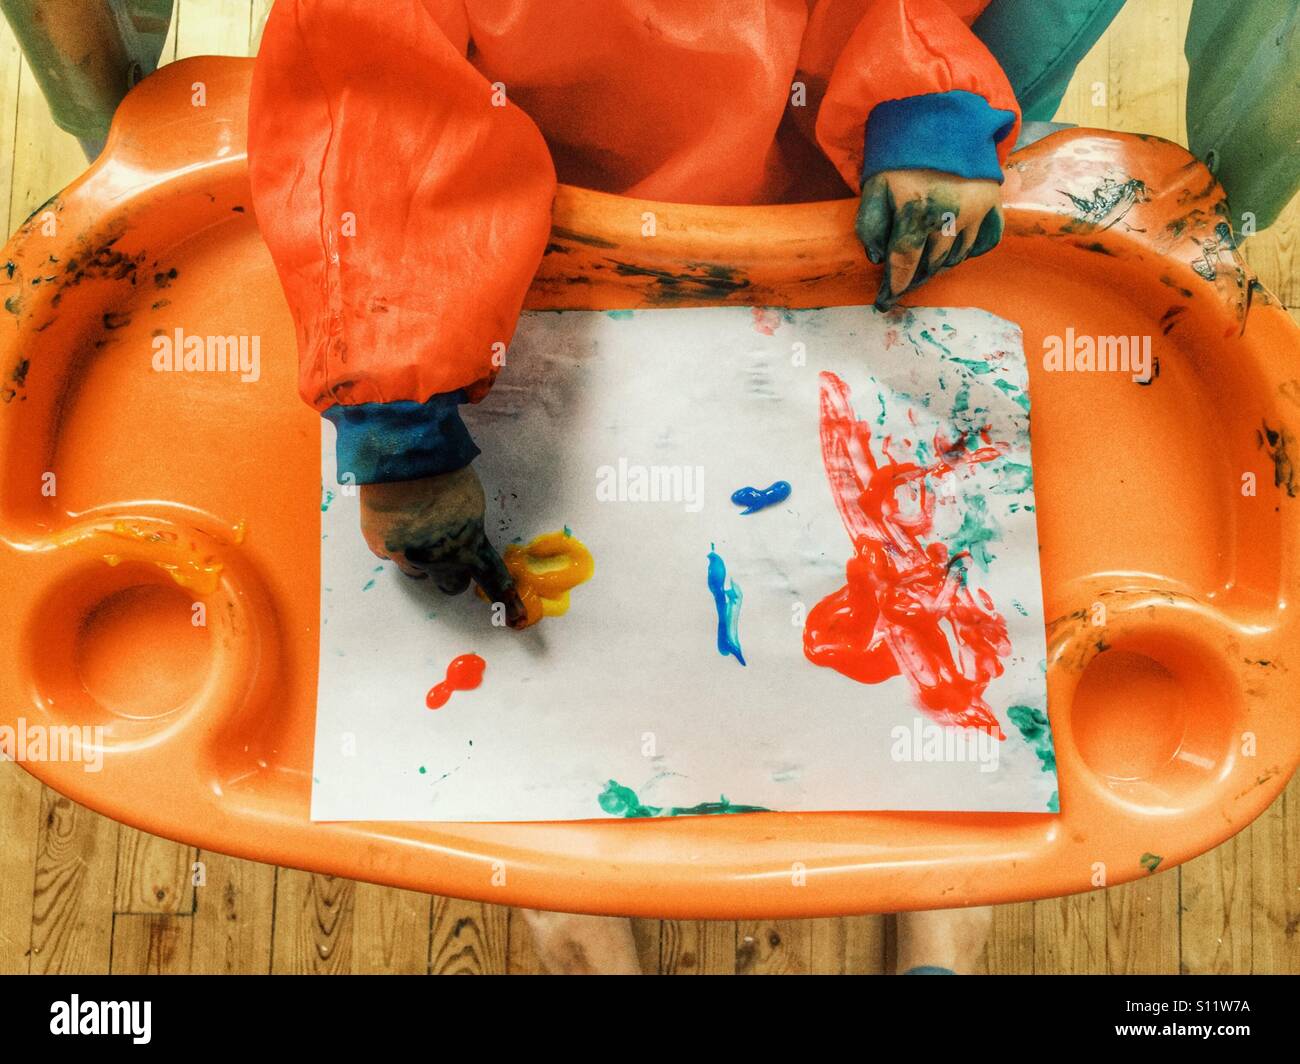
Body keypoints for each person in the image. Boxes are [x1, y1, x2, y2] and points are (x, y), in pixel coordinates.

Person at [248, 0, 1032, 975]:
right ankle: (561, 855)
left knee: (933, 688)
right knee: (550, 724)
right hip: (514, 264)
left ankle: (937, 853)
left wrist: (923, 105)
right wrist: (399, 405)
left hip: (806, 217)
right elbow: (370, 102)